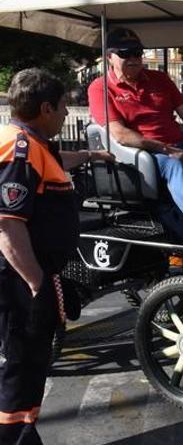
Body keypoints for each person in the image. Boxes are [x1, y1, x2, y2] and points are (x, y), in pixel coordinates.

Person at [0, 68, 113, 444]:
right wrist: (36, 286)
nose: (68, 113)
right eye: (64, 106)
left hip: (32, 274)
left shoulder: (31, 143)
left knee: (30, 363)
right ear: (46, 108)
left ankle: (22, 433)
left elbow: (56, 160)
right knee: (21, 363)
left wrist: (91, 154)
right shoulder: (20, 150)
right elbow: (8, 225)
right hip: (18, 279)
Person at [87, 28, 183, 240]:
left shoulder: (159, 79)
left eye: (137, 53)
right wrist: (165, 149)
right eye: (125, 54)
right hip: (144, 152)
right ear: (109, 57)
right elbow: (119, 134)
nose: (133, 59)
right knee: (174, 166)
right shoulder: (100, 88)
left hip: (180, 144)